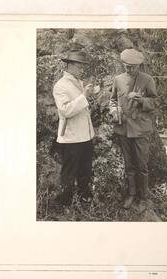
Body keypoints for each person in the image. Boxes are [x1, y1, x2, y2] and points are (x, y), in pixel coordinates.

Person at [109, 48, 158, 212]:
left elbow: (155, 103)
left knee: (142, 165)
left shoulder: (147, 79)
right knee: (129, 165)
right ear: (123, 64)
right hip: (123, 129)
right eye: (127, 66)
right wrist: (114, 111)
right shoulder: (118, 79)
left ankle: (143, 198)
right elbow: (113, 101)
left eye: (133, 66)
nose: (130, 69)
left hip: (141, 129)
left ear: (139, 65)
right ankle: (131, 194)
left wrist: (142, 100)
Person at [52, 50, 95, 206]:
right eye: (79, 66)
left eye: (83, 67)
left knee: (85, 172)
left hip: (85, 136)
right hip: (71, 137)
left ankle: (85, 201)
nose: (82, 70)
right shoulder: (60, 85)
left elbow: (81, 106)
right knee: (69, 174)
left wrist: (87, 95)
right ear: (69, 66)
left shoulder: (77, 82)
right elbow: (65, 111)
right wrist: (84, 96)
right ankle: (64, 205)